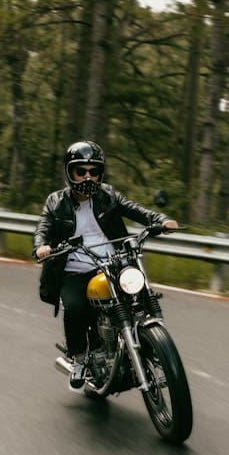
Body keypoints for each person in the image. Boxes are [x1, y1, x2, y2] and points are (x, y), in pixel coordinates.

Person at [33, 140, 178, 391]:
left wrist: (160, 220)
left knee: (140, 292)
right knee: (76, 307)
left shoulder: (108, 195)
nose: (88, 177)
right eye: (81, 171)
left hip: (112, 266)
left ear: (101, 173)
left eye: (94, 171)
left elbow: (136, 210)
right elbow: (43, 228)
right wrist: (41, 246)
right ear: (69, 171)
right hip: (75, 270)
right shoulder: (56, 202)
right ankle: (79, 359)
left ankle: (153, 347)